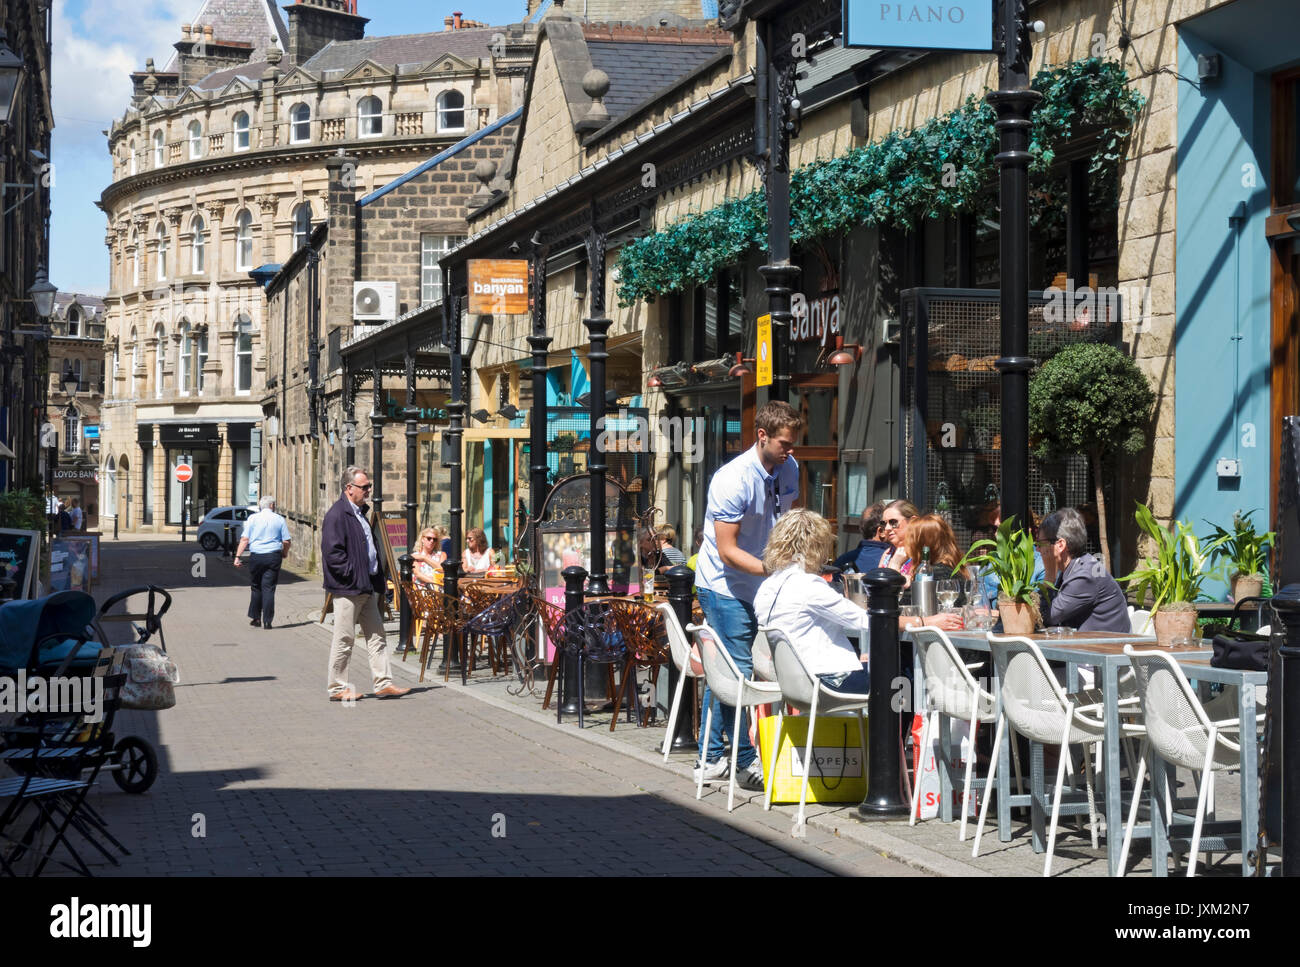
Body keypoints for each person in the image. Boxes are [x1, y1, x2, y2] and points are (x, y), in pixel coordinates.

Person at [693, 400, 802, 790]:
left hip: (762, 585)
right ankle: (741, 761)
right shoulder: (733, 479)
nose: (791, 451)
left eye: (793, 443)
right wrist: (775, 570)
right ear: (762, 436)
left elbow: (785, 524)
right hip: (724, 585)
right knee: (737, 672)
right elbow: (727, 550)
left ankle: (708, 756)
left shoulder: (789, 468)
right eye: (784, 443)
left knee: (727, 671)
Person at [755, 509, 871, 694]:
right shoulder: (809, 585)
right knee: (900, 679)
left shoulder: (767, 587)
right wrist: (921, 622)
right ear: (817, 546)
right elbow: (866, 621)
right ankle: (913, 724)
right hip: (827, 681)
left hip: (792, 683)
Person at [321, 466, 411, 701]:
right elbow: (333, 555)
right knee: (344, 639)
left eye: (369, 486)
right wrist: (352, 575)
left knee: (377, 636)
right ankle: (337, 688)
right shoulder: (337, 515)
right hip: (348, 588)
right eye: (365, 487)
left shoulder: (361, 512)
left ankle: (383, 683)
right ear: (349, 488)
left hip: (367, 587)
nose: (369, 490)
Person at [1038, 507, 1129, 632]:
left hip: (1107, 648)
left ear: (1060, 545)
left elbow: (1047, 617)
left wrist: (1048, 576)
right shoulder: (1075, 568)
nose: (1037, 549)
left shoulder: (1085, 576)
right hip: (1087, 646)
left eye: (1041, 544)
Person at [895, 514, 966, 632]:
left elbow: (895, 610)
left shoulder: (932, 574)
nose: (906, 545)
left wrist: (895, 565)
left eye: (908, 540)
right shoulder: (956, 570)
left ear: (920, 545)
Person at [234, 495, 292, 629]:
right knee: (269, 588)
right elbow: (286, 541)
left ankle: (255, 618)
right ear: (272, 506)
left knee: (256, 587)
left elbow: (244, 539)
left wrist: (237, 557)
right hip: (273, 556)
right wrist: (284, 552)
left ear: (261, 506)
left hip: (257, 556)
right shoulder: (279, 519)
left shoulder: (253, 518)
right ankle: (267, 621)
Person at [833, 501, 892, 574]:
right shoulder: (892, 559)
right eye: (891, 524)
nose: (892, 529)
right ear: (881, 531)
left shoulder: (842, 561)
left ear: (861, 528)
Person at [881, 499, 920, 576]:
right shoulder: (887, 554)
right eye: (883, 524)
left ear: (912, 521)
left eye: (893, 522)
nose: (887, 528)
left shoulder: (921, 553)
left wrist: (895, 565)